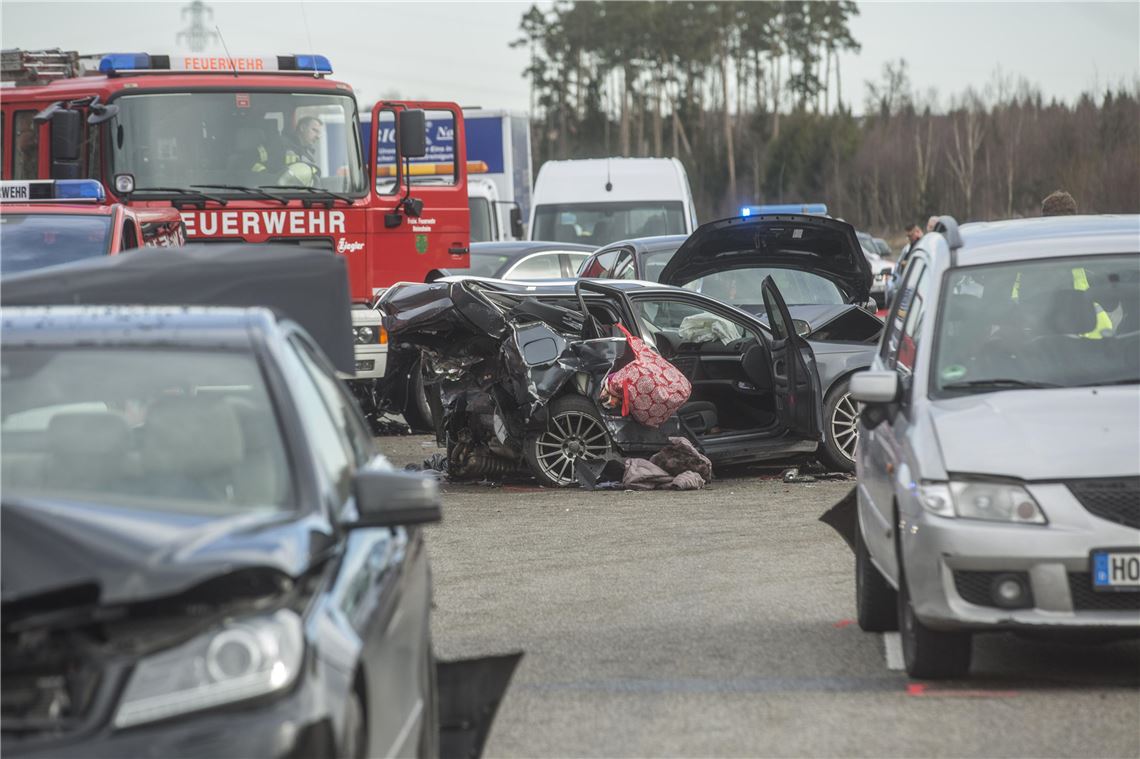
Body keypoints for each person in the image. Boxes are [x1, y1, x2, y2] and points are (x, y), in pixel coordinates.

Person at [278, 116, 323, 186]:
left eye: (319, 133)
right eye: (314, 130)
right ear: (302, 128)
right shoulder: (283, 146)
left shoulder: (308, 152)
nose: (318, 136)